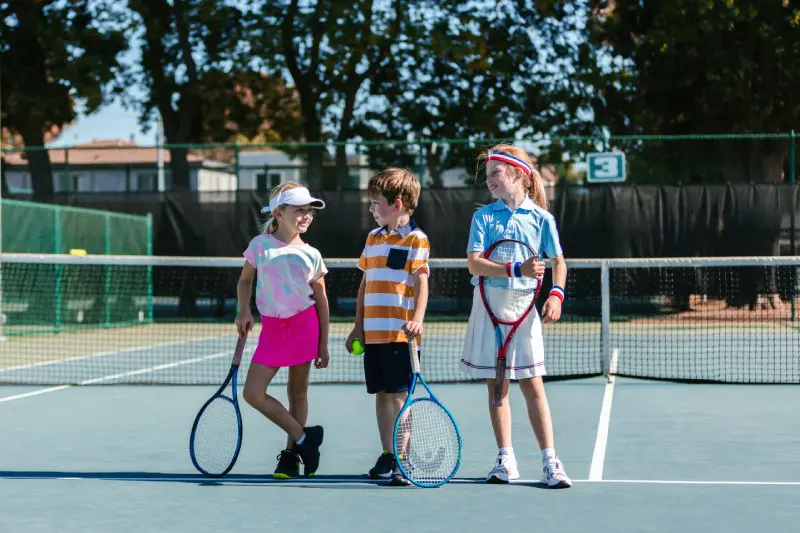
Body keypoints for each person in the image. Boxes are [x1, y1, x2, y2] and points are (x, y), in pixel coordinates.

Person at [460, 144, 572, 488]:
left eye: (496, 173)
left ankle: (550, 461)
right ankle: (505, 458)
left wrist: (556, 293)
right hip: (489, 305)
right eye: (488, 173)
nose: (489, 179)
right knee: (497, 387)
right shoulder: (484, 217)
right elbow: (474, 262)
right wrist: (515, 268)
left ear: (518, 175)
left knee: (533, 385)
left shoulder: (541, 219)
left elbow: (558, 262)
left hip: (524, 308)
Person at [235, 181, 330, 479]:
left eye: (309, 211)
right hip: (273, 329)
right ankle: (305, 439)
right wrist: (245, 310)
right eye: (299, 210)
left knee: (297, 393)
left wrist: (323, 343)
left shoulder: (312, 254)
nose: (306, 216)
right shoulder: (260, 246)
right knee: (252, 393)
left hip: (304, 325)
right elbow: (245, 282)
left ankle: (291, 456)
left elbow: (322, 301)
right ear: (279, 213)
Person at [345, 168, 430, 487]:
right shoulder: (372, 238)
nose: (370, 208)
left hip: (400, 335)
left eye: (375, 203)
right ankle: (389, 454)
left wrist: (417, 319)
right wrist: (358, 327)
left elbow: (422, 281)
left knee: (398, 398)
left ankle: (403, 459)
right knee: (382, 395)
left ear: (396, 204)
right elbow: (365, 285)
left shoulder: (416, 239)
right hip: (374, 334)